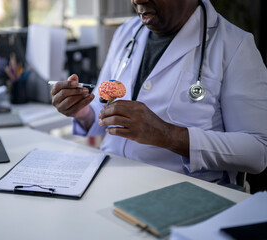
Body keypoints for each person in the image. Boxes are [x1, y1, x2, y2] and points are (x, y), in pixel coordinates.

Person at [51, 0, 267, 185]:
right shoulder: (126, 32)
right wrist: (81, 111)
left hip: (180, 194)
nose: (137, 0)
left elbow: (257, 151)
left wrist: (168, 135)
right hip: (109, 178)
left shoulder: (234, 45)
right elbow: (103, 110)